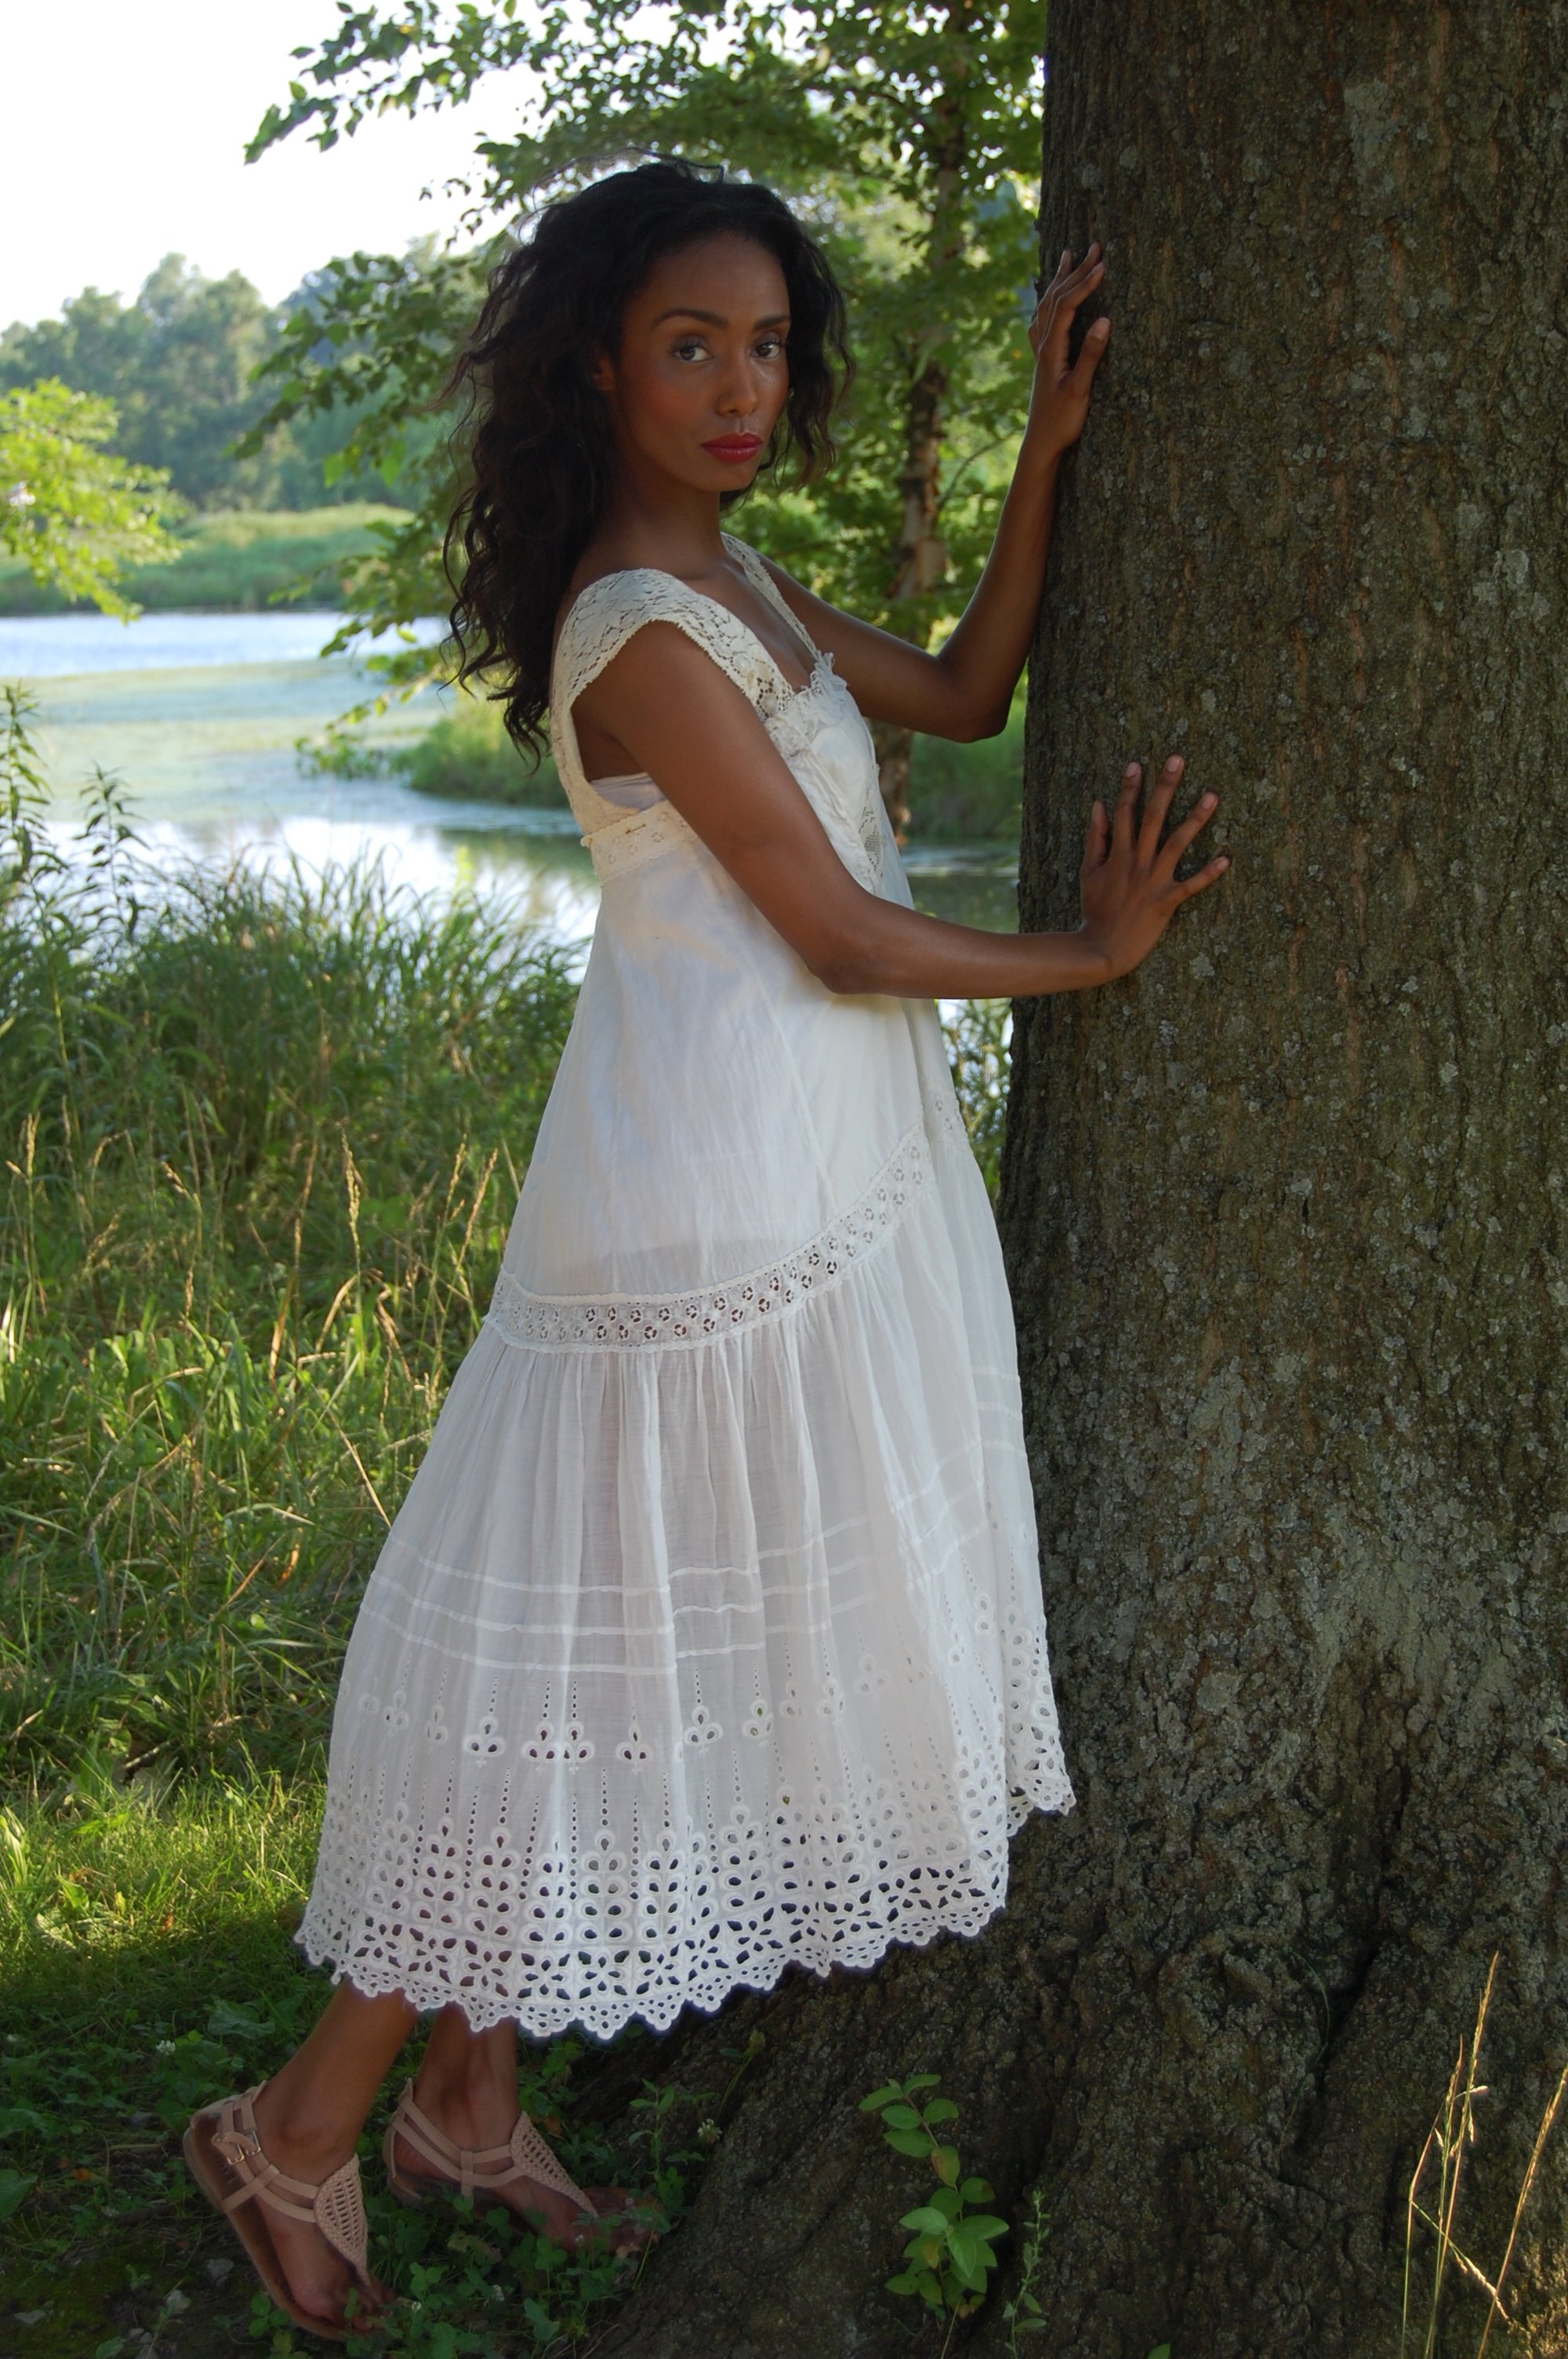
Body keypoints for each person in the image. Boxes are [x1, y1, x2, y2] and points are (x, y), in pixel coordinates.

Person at [183, 158, 1227, 2339]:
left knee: (656, 1664)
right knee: (558, 1672)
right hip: (692, 1214)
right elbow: (839, 934)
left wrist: (1041, 452)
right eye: (694, 346)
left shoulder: (735, 587)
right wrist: (1090, 956)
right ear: (603, 363)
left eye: (768, 346)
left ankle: (473, 2093)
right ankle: (294, 2129)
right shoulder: (629, 635)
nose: (743, 387)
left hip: (817, 1181)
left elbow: (956, 690)